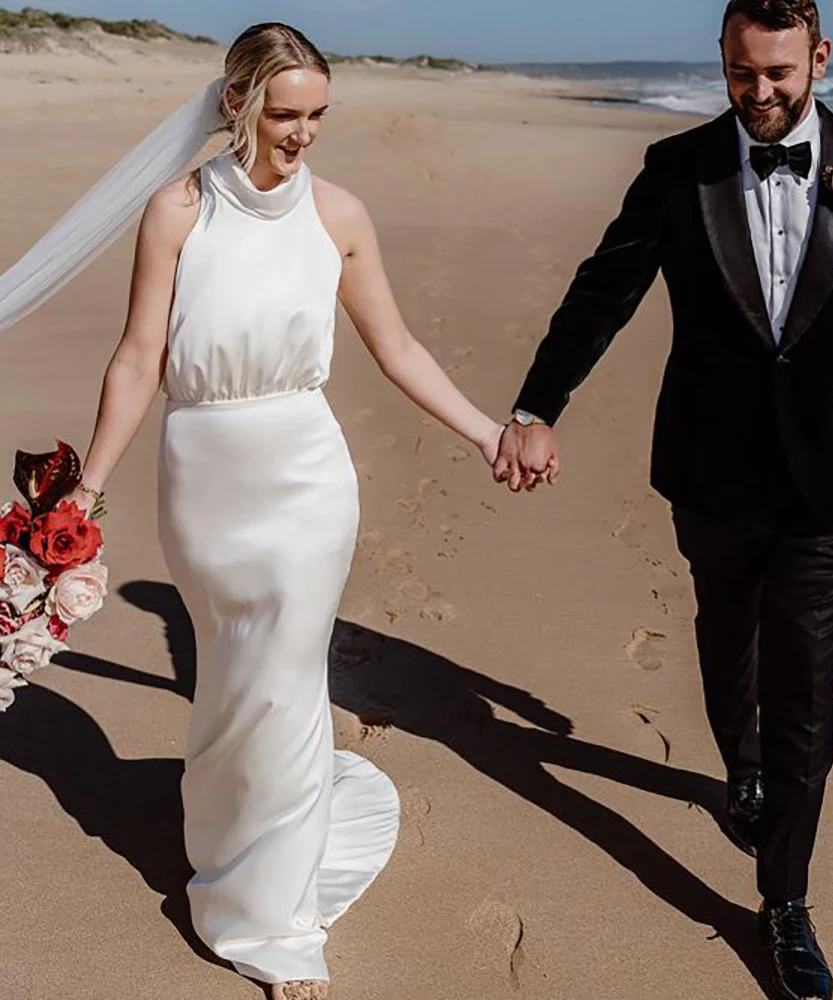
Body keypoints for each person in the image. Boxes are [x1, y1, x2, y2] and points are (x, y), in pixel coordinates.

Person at [493, 2, 833, 998]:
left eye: (776, 74)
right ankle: (742, 767)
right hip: (710, 468)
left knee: (804, 679)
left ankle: (782, 897)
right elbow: (605, 290)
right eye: (739, 74)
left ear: (817, 58)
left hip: (830, 476)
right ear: (720, 62)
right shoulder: (677, 169)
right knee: (728, 646)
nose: (759, 94)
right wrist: (535, 406)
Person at [0, 22, 504, 1000]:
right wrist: (88, 488)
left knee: (282, 671)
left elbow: (396, 348)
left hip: (307, 476)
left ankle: (273, 924)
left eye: (318, 114)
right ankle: (231, 839)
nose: (303, 133)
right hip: (203, 473)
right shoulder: (176, 211)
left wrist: (484, 432)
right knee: (234, 672)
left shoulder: (342, 215)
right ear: (236, 105)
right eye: (285, 113)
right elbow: (140, 357)